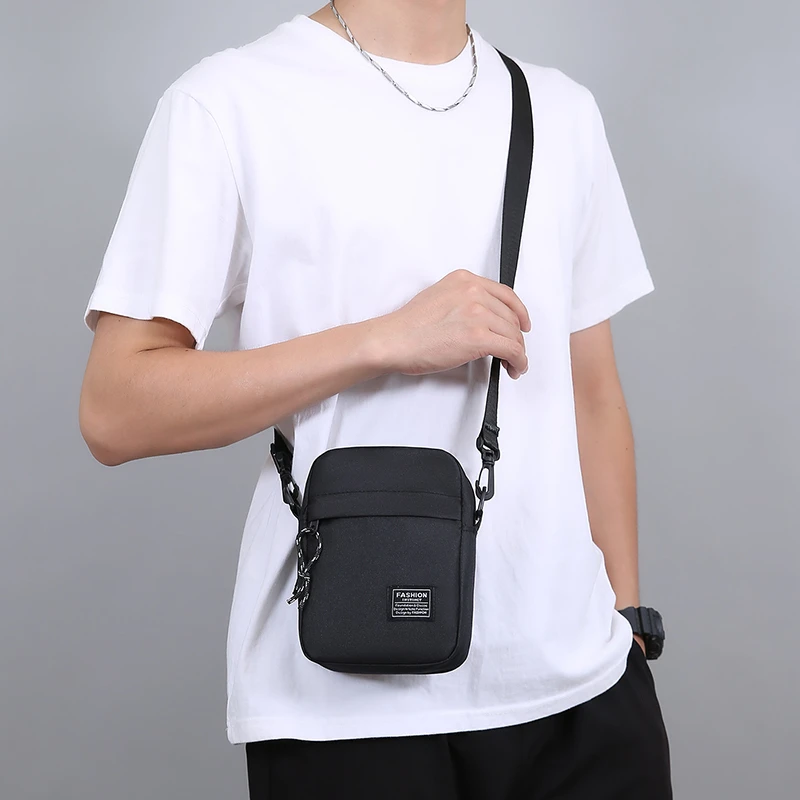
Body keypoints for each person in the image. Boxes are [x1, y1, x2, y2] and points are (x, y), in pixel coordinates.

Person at [79, 1, 672, 797]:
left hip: (585, 696)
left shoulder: (559, 111)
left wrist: (626, 624)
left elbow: (592, 391)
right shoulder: (229, 101)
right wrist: (381, 341)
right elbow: (115, 408)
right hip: (341, 702)